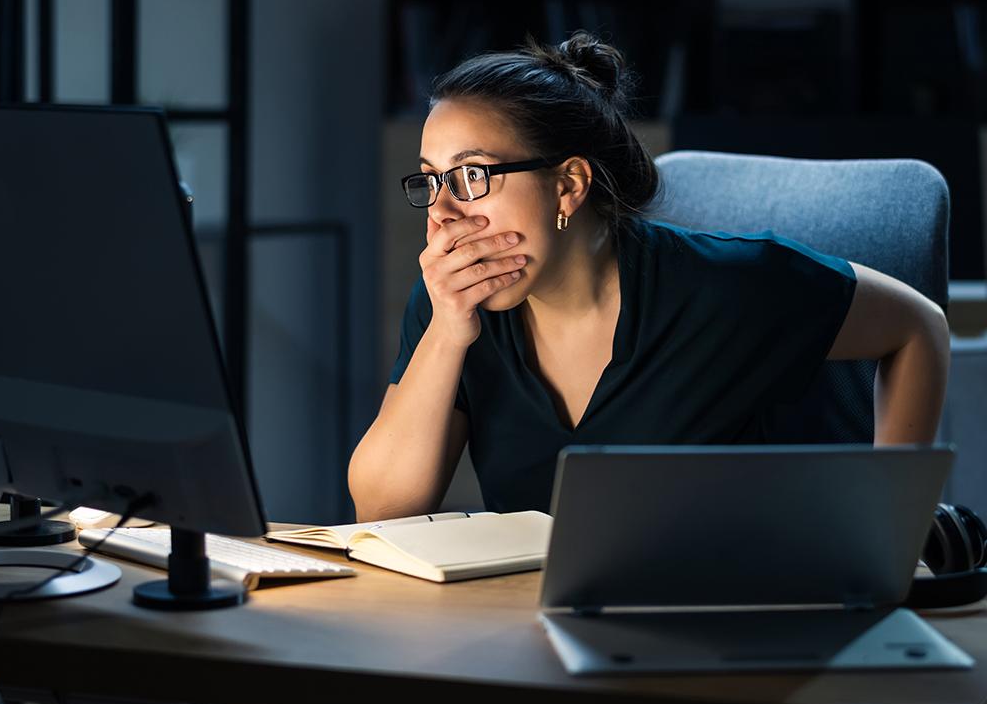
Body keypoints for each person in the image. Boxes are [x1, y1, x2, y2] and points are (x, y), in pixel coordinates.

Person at [348, 31, 950, 523]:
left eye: (472, 175)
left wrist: (894, 525)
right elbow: (382, 508)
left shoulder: (730, 285)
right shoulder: (452, 304)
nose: (443, 213)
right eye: (430, 180)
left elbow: (917, 326)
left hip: (734, 613)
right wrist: (447, 335)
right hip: (533, 627)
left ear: (569, 184)